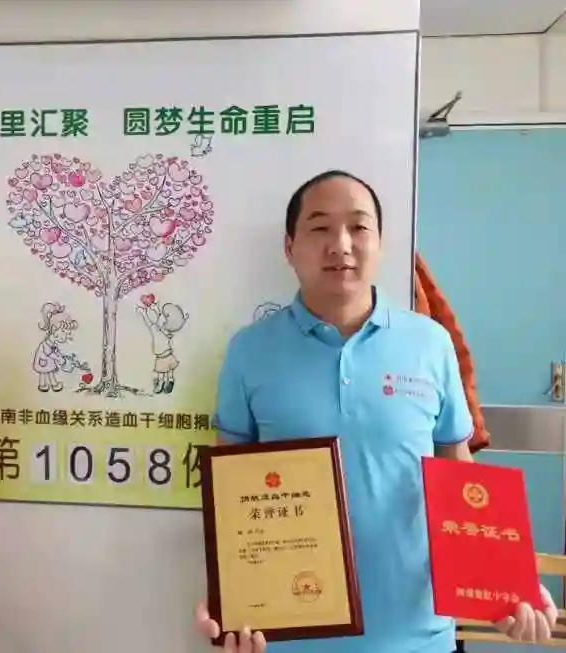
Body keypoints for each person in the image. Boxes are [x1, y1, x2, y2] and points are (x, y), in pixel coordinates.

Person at [194, 171, 557, 653]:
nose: (340, 245)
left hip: (418, 635)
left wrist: (507, 588)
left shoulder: (430, 343)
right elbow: (229, 495)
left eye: (358, 227)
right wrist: (230, 596)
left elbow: (460, 478)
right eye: (319, 227)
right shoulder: (249, 351)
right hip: (289, 637)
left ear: (381, 244)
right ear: (289, 247)